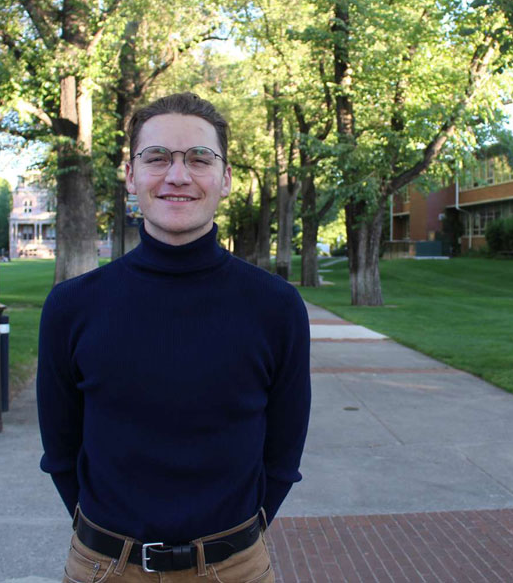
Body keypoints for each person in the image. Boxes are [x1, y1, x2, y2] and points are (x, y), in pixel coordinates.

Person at [37, 92, 311, 582]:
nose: (178, 175)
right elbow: (61, 451)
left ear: (225, 178)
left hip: (236, 568)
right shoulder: (73, 307)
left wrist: (231, 544)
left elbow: (283, 454)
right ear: (130, 175)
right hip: (104, 567)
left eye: (199, 159)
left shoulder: (276, 307)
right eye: (157, 158)